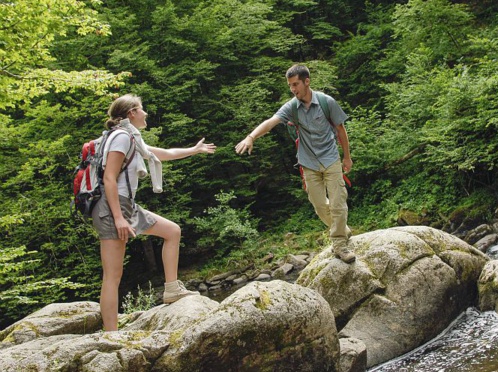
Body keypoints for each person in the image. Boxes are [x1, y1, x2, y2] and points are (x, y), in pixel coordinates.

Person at [93, 94, 217, 331]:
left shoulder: (131, 138)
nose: (146, 113)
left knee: (172, 231)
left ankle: (171, 289)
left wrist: (194, 150)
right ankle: (111, 335)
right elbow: (109, 178)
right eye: (142, 109)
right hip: (112, 208)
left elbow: (163, 153)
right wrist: (118, 218)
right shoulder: (121, 137)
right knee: (113, 276)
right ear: (131, 113)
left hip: (126, 204)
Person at [235, 64, 355, 263]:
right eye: (290, 85)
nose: (293, 89)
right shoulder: (292, 107)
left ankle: (340, 245)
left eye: (295, 84)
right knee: (318, 205)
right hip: (308, 163)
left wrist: (347, 157)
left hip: (331, 159)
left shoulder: (327, 102)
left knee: (338, 204)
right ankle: (342, 229)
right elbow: (271, 121)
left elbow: (341, 131)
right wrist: (251, 137)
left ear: (307, 81)